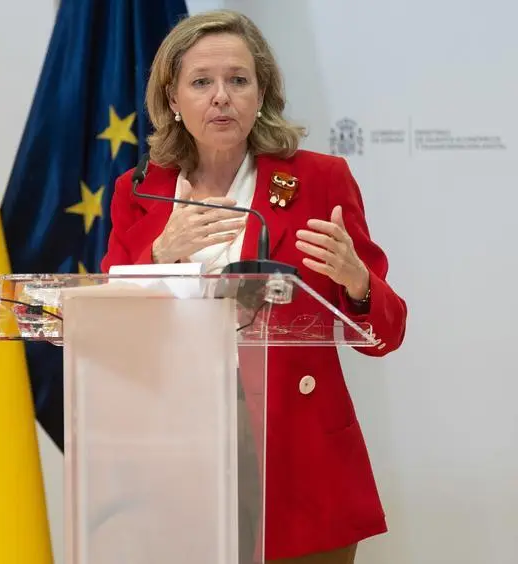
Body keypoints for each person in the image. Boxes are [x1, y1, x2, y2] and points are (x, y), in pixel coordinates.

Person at [100, 9, 408, 564]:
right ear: (172, 98)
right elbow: (105, 323)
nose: (221, 97)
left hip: (299, 463)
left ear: (261, 92)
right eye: (201, 82)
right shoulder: (138, 189)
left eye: (238, 80)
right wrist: (160, 254)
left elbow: (387, 335)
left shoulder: (319, 179)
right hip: (173, 460)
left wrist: (356, 279)